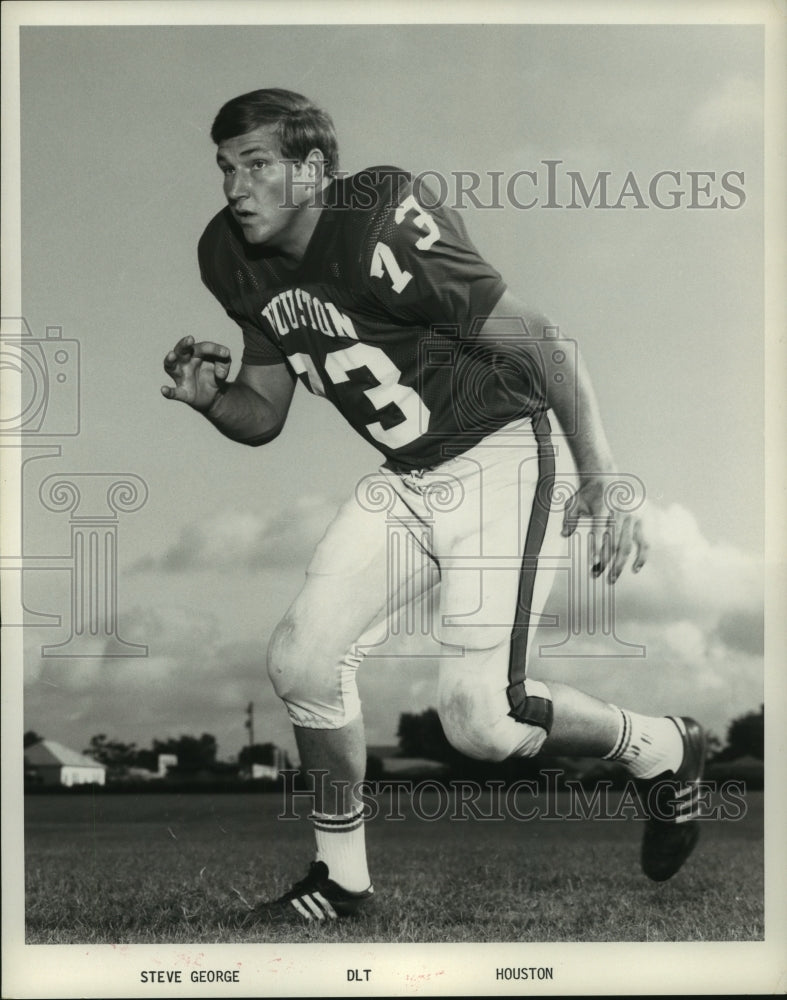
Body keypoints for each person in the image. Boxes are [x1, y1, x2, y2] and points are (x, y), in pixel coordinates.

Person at [161, 88, 706, 923]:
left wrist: (601, 475)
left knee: (482, 725)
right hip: (408, 473)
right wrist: (212, 399)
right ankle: (341, 880)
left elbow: (542, 338)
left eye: (258, 167)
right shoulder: (230, 255)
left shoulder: (378, 218)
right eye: (227, 169)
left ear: (311, 171)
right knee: (301, 661)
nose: (236, 188)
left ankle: (662, 748)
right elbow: (264, 412)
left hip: (500, 456)